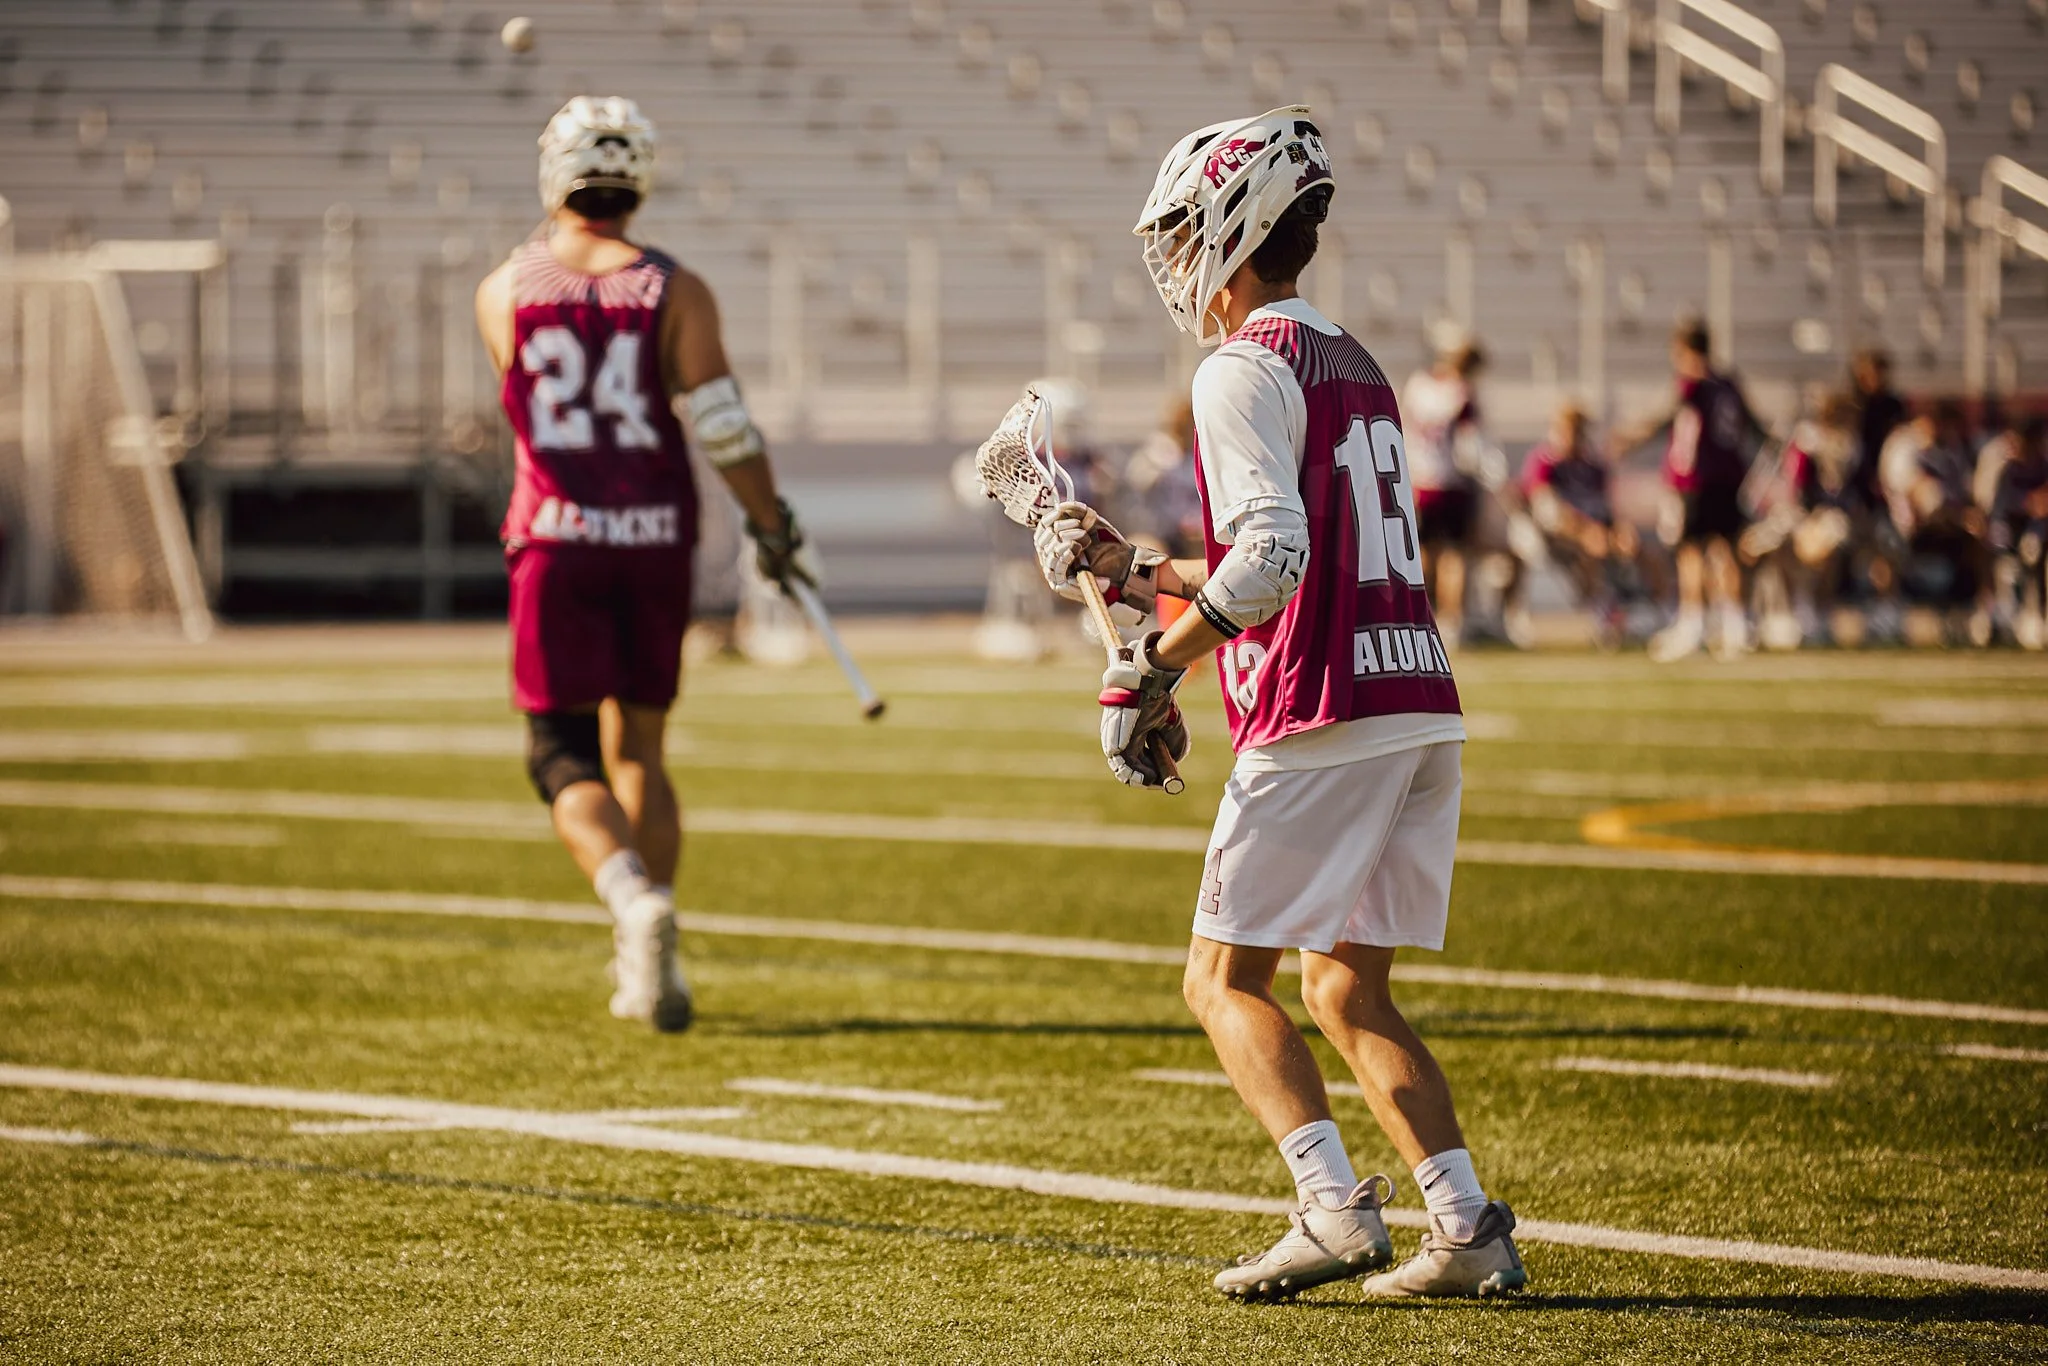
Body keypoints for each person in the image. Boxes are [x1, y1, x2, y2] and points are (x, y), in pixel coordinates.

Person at [1034, 106, 1525, 1302]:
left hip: (1324, 710)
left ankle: (1331, 1210)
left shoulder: (1237, 367)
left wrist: (1156, 663)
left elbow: (1271, 560)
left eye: (1183, 229)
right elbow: (1287, 556)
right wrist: (1135, 572)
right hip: (1412, 698)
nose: (1173, 257)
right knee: (1345, 987)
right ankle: (1465, 1226)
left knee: (1220, 981)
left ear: (1233, 225)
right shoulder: (1351, 361)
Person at [474, 96, 811, 1031]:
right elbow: (724, 427)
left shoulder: (504, 289)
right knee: (643, 750)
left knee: (560, 751)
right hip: (656, 538)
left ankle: (631, 903)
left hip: (554, 539)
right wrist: (770, 522)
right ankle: (649, 943)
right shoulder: (674, 289)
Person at [1610, 320, 1764, 662]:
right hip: (1729, 477)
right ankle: (1735, 625)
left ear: (1682, 349)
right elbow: (1752, 425)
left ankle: (1693, 626)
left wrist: (1630, 439)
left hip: (1695, 480)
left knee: (1690, 553)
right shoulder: (1728, 383)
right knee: (1726, 552)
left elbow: (1666, 416)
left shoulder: (1692, 383)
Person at [1518, 400, 1640, 646]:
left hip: (1591, 531)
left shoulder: (1592, 466)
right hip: (1548, 534)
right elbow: (1548, 511)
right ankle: (1604, 612)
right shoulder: (1545, 462)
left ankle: (1651, 612)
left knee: (1636, 548)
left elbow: (1604, 509)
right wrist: (1584, 531)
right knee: (1592, 548)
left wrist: (1619, 532)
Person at [1879, 400, 1992, 645]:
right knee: (1887, 546)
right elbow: (1922, 493)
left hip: (1944, 523)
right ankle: (1888, 612)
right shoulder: (1904, 445)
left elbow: (1963, 491)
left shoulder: (1949, 449)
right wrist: (1959, 516)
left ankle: (1986, 611)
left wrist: (1969, 515)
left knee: (1984, 537)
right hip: (1902, 523)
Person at [1401, 336, 1488, 647]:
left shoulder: (1419, 385)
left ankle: (1421, 616)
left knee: (1423, 555)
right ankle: (1451, 621)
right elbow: (1470, 445)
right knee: (1454, 556)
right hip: (1450, 481)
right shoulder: (1461, 393)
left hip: (1418, 480)